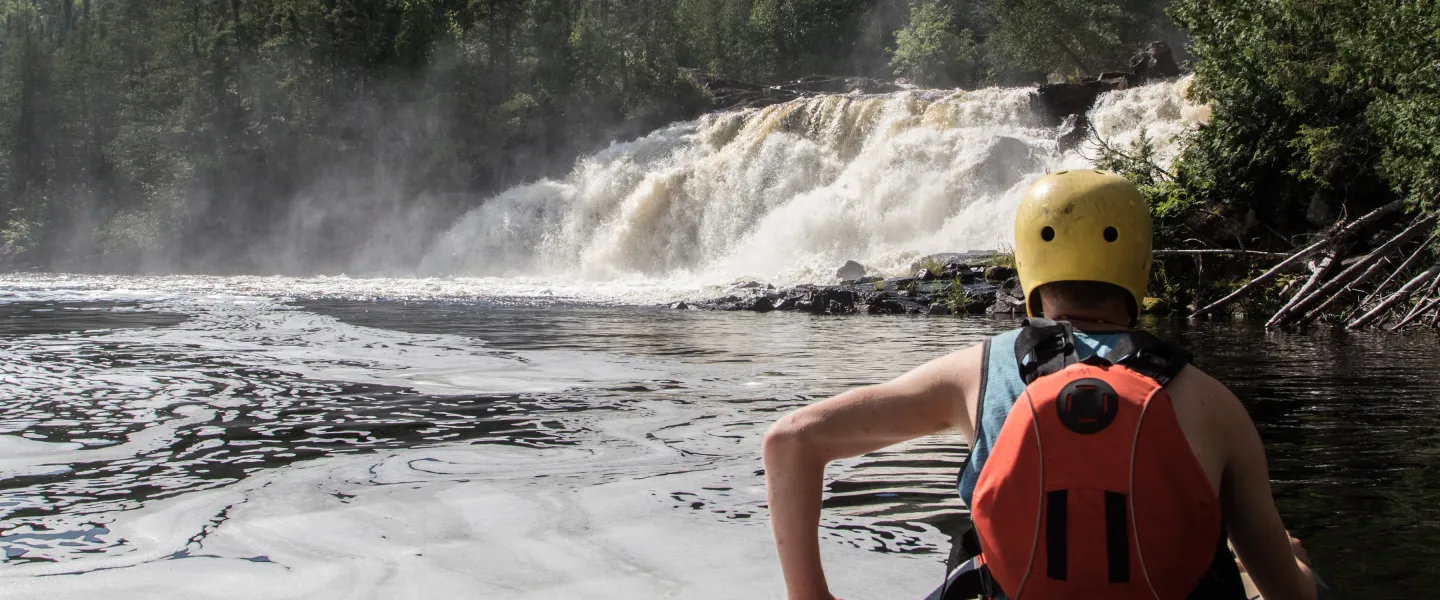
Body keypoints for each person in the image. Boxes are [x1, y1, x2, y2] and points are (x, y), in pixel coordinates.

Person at [762, 169, 1320, 600]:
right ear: (1141, 264)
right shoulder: (1213, 402)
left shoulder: (974, 374)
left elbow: (790, 441)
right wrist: (1291, 562)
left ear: (1028, 265)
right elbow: (1288, 595)